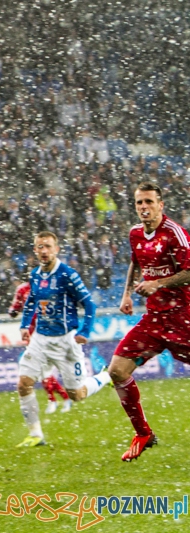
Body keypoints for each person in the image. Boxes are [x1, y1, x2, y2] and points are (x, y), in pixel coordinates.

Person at [109, 183, 190, 461]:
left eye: (148, 202)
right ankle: (143, 433)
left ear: (160, 205)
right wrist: (127, 294)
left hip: (183, 317)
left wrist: (159, 283)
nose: (143, 207)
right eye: (139, 203)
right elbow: (135, 262)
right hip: (154, 320)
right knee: (117, 370)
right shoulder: (135, 234)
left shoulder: (174, 234)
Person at [16, 231, 111, 447]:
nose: (44, 251)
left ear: (56, 249)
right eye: (40, 247)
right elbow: (31, 301)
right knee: (23, 384)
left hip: (66, 341)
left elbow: (89, 304)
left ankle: (105, 377)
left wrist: (84, 331)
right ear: (35, 250)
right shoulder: (35, 275)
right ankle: (36, 434)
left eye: (48, 246)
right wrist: (24, 326)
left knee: (77, 395)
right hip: (40, 338)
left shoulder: (67, 274)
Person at [9, 280, 71, 415]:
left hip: (48, 332)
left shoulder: (49, 287)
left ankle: (56, 399)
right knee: (42, 370)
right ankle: (60, 398)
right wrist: (14, 311)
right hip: (31, 333)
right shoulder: (22, 289)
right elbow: (14, 308)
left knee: (43, 369)